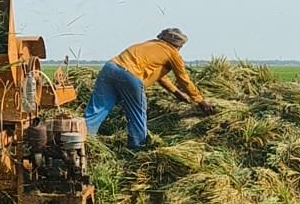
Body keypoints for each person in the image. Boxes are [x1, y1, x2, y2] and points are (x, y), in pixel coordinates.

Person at [84, 28, 216, 150]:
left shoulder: (151, 45)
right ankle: (137, 148)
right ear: (178, 45)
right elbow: (184, 80)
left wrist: (176, 92)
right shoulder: (172, 53)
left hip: (110, 68)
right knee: (137, 113)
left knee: (97, 109)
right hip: (130, 75)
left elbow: (159, 76)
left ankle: (84, 141)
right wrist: (200, 102)